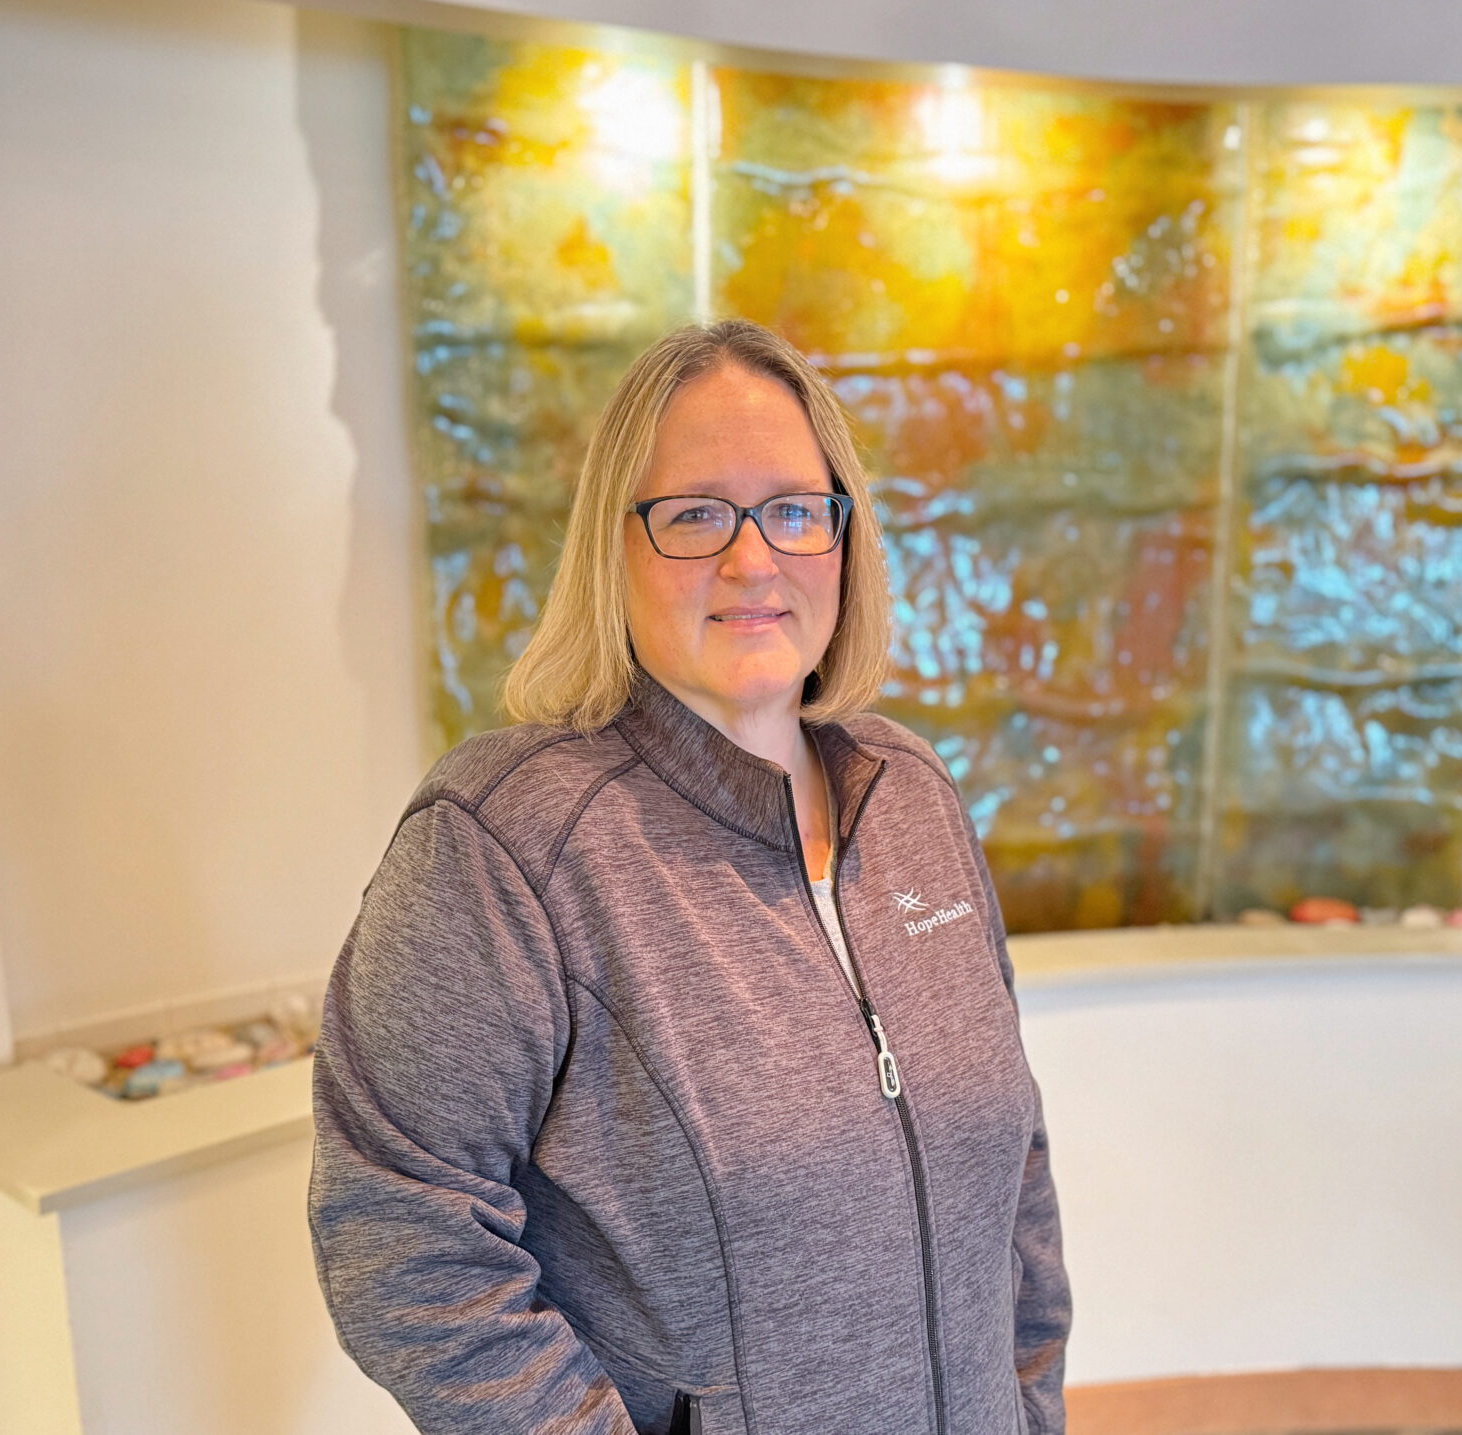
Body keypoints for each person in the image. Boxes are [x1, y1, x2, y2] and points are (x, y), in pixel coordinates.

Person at [309, 319, 1071, 1435]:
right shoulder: (503, 844)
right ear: (612, 546)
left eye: (793, 511)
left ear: (842, 540)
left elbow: (1014, 1165)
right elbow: (400, 1234)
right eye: (696, 513)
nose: (751, 560)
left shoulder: (908, 794)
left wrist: (1031, 1404)